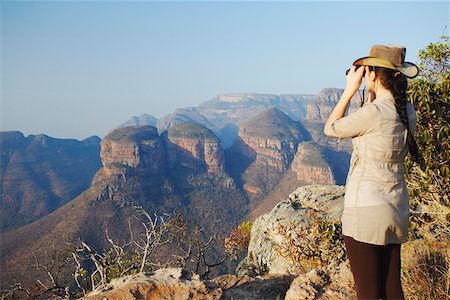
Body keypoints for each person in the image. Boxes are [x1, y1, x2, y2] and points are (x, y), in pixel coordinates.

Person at [323, 45, 424, 300]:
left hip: (366, 212)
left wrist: (349, 91)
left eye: (367, 71)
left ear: (374, 74)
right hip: (396, 208)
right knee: (392, 291)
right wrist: (369, 90)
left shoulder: (374, 113)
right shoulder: (407, 111)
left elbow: (331, 128)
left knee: (368, 293)